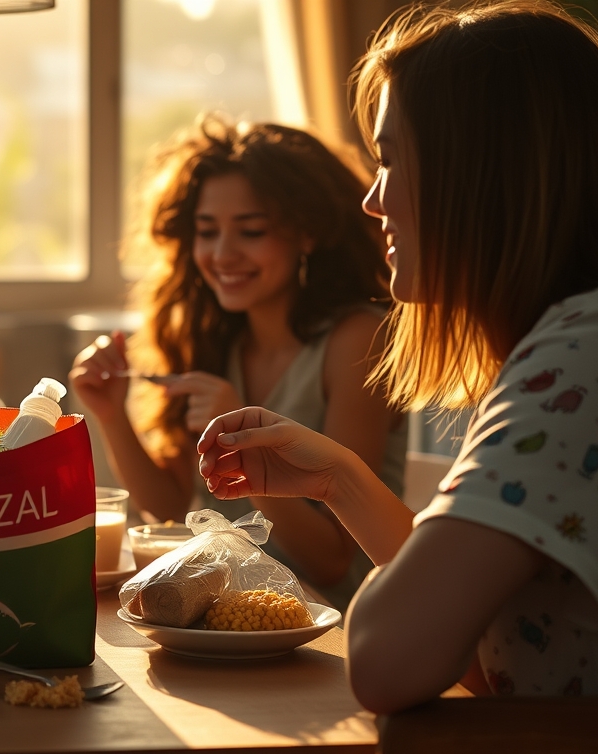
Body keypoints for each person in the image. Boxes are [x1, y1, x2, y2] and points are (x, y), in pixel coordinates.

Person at [197, 0, 598, 712]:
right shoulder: (578, 341)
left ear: (481, 171)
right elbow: (487, 657)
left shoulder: (586, 355)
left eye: (390, 160)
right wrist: (341, 480)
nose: (371, 199)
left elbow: (385, 657)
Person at [70, 116, 404, 607]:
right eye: (207, 232)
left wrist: (247, 452)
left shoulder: (357, 340)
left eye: (250, 231)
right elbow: (166, 505)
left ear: (306, 234)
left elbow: (332, 560)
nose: (223, 254)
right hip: (232, 613)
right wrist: (110, 413)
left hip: (339, 625)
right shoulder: (212, 339)